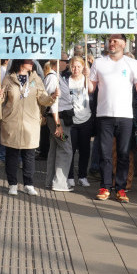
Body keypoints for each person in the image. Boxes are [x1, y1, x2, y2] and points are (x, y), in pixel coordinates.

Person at [87, 34, 137, 203]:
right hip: (104, 115)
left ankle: (121, 188)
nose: (111, 43)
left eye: (115, 41)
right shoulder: (99, 62)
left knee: (123, 153)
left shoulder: (132, 63)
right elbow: (91, 88)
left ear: (123, 43)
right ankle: (105, 186)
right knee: (105, 154)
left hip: (125, 115)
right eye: (110, 41)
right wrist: (86, 77)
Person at [0, 59, 57, 196]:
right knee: (12, 155)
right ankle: (12, 184)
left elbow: (42, 98)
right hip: (12, 122)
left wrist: (52, 97)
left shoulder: (36, 79)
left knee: (29, 155)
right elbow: (1, 101)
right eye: (29, 60)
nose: (32, 63)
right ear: (20, 62)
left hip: (31, 123)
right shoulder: (8, 78)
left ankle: (28, 184)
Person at [44, 60, 74, 192]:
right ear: (57, 62)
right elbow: (53, 102)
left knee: (55, 148)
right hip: (58, 118)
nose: (67, 64)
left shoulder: (57, 76)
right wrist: (57, 124)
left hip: (61, 118)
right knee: (66, 149)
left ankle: (51, 181)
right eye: (64, 61)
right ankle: (59, 183)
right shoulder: (52, 77)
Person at [65, 56, 94, 188]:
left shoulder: (85, 80)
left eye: (78, 66)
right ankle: (70, 176)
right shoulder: (66, 81)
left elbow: (91, 90)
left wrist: (87, 77)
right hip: (71, 120)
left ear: (83, 67)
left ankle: (82, 176)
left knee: (85, 149)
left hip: (85, 119)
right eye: (73, 66)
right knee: (70, 149)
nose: (75, 69)